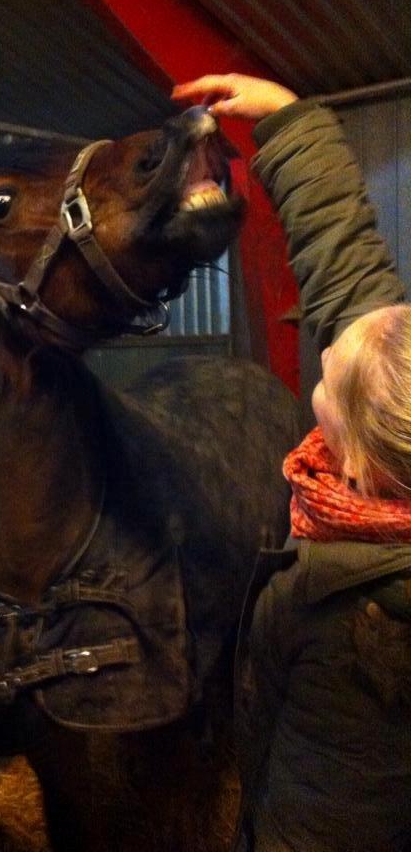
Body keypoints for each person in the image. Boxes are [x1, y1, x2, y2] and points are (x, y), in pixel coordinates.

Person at [172, 74, 411, 852]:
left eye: (329, 363)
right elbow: (355, 283)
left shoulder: (362, 628)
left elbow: (324, 823)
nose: (337, 335)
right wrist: (289, 123)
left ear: (356, 462)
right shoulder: (389, 454)